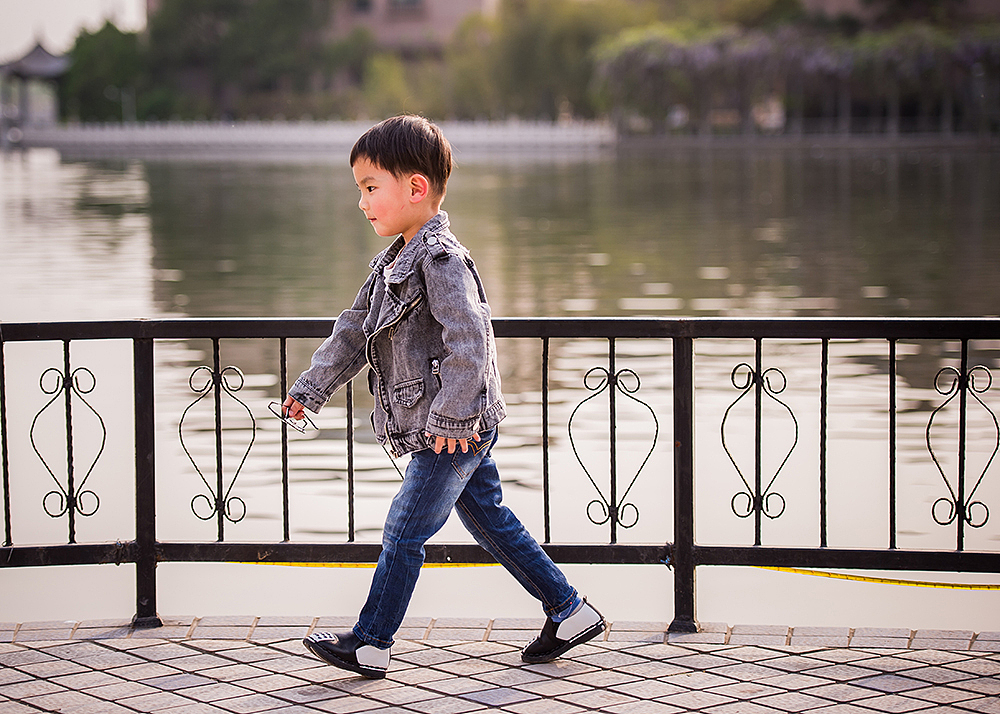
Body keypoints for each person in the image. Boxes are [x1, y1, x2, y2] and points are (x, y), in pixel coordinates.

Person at [281, 115, 605, 679]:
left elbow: (470, 339)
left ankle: (372, 642)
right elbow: (355, 330)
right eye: (359, 189)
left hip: (452, 427)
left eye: (370, 187)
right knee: (491, 522)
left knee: (404, 528)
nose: (362, 202)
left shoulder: (441, 260)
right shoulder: (392, 263)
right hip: (448, 424)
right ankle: (569, 610)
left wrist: (454, 415)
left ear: (415, 187)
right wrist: (312, 389)